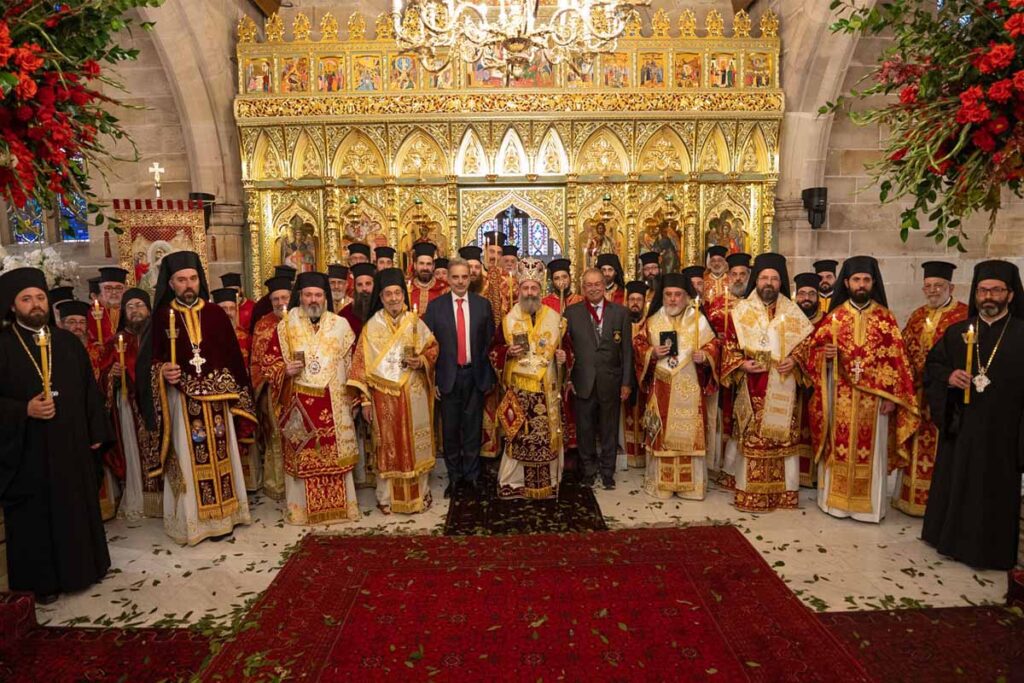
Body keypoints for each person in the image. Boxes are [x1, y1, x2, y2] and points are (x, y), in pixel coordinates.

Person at [0, 267, 112, 603]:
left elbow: (89, 390)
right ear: (11, 305)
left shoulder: (67, 342)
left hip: (72, 445)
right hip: (27, 451)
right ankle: (42, 583)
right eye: (26, 299)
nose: (35, 305)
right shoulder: (3, 346)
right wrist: (24, 410)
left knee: (75, 505)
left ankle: (84, 571)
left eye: (39, 298)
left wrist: (96, 431)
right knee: (35, 518)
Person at [139, 251, 256, 545]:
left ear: (199, 279)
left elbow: (232, 360)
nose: (188, 285)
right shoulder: (161, 317)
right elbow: (149, 364)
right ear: (171, 283)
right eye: (181, 280)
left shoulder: (216, 314)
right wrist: (163, 371)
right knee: (190, 465)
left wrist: (229, 393)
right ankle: (195, 524)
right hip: (181, 403)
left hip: (218, 404)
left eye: (192, 278)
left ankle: (226, 516)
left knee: (222, 456)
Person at [922, 260, 1023, 569]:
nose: (988, 296)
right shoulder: (959, 333)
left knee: (994, 489)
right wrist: (950, 377)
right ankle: (951, 542)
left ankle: (991, 551)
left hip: (1004, 431)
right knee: (958, 481)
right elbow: (933, 366)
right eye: (983, 290)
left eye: (995, 290)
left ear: (1010, 294)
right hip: (963, 427)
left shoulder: (1021, 334)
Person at [803, 256, 918, 523]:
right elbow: (812, 354)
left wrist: (893, 398)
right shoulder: (835, 318)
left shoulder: (886, 319)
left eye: (866, 280)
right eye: (856, 279)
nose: (861, 284)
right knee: (839, 448)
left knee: (872, 454)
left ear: (873, 282)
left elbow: (899, 365)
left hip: (875, 403)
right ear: (847, 282)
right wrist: (825, 356)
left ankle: (870, 508)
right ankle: (836, 505)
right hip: (840, 399)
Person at [720, 253, 815, 512]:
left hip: (784, 385)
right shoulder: (740, 311)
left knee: (782, 439)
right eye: (764, 278)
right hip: (752, 387)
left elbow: (807, 345)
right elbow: (729, 347)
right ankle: (750, 493)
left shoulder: (792, 311)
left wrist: (795, 360)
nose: (769, 283)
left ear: (780, 281)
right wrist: (741, 364)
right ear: (756, 280)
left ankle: (783, 494)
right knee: (752, 439)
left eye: (774, 278)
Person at [265, 272, 361, 525]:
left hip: (335, 402)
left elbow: (353, 365)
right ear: (300, 297)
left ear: (325, 297)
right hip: (299, 405)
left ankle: (342, 508)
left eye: (318, 294)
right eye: (308, 295)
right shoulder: (285, 326)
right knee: (303, 457)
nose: (313, 299)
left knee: (335, 455)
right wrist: (283, 371)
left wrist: (356, 400)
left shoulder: (341, 325)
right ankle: (301, 510)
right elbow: (269, 362)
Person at [348, 268, 439, 514]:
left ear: (404, 295)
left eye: (397, 293)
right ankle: (387, 497)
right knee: (388, 445)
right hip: (384, 398)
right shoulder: (371, 327)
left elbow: (432, 348)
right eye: (388, 294)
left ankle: (420, 495)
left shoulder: (414, 322)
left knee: (414, 442)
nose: (393, 298)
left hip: (414, 393)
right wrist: (365, 402)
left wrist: (422, 361)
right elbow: (360, 368)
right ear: (381, 297)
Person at [892, 261, 968, 517]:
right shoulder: (916, 316)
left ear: (951, 287)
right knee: (917, 447)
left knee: (943, 447)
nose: (933, 290)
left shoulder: (964, 317)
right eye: (928, 286)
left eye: (939, 285)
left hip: (948, 396)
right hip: (918, 394)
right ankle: (910, 499)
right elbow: (902, 353)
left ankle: (939, 503)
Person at [632, 273, 717, 499]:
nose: (672, 299)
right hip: (661, 389)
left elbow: (715, 345)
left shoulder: (698, 320)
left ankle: (691, 488)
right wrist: (651, 353)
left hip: (691, 389)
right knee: (662, 434)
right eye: (668, 294)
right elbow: (638, 346)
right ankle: (663, 484)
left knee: (689, 435)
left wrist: (706, 355)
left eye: (677, 295)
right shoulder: (652, 321)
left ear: (687, 297)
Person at [491, 258, 567, 499]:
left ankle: (549, 482)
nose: (530, 293)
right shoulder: (508, 320)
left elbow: (569, 350)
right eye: (526, 288)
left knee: (546, 437)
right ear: (519, 290)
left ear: (540, 290)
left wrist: (566, 357)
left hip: (546, 389)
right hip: (519, 390)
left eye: (534, 288)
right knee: (518, 436)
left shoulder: (556, 318)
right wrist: (507, 353)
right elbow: (493, 352)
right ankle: (514, 483)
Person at [423, 257, 495, 497]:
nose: (461, 281)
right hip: (448, 378)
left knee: (473, 429)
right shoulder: (436, 307)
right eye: (456, 277)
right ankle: (455, 479)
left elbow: (488, 342)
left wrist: (486, 375)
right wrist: (433, 380)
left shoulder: (482, 305)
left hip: (474, 376)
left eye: (465, 276)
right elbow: (428, 346)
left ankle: (472, 477)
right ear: (448, 278)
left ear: (470, 278)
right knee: (451, 432)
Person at [564, 267, 633, 489]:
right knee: (585, 430)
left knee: (609, 429)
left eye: (597, 284)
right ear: (582, 288)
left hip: (610, 381)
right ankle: (588, 470)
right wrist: (568, 379)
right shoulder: (572, 313)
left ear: (604, 285)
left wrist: (626, 382)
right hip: (582, 381)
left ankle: (607, 472)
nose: (593, 288)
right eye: (588, 285)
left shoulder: (620, 313)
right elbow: (567, 349)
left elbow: (627, 351)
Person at [97, 288, 162, 523]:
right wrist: (110, 375)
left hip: (158, 405)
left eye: (140, 305)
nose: (135, 311)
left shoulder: (158, 337)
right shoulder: (114, 342)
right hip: (130, 408)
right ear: (124, 312)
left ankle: (167, 498)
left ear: (148, 309)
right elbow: (102, 379)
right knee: (136, 450)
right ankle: (141, 499)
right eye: (130, 307)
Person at [704, 252, 751, 484]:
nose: (738, 278)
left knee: (740, 416)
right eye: (734, 274)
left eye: (743, 274)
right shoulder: (714, 305)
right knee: (720, 414)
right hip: (719, 366)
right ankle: (716, 462)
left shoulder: (755, 306)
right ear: (728, 276)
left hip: (746, 370)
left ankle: (735, 466)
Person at [249, 275, 294, 500]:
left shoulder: (299, 320)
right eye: (275, 299)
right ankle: (277, 484)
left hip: (299, 389)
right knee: (276, 436)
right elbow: (257, 362)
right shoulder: (263, 325)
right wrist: (277, 373)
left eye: (284, 297)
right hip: (273, 392)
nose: (280, 302)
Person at [793, 272, 827, 487]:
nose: (806, 298)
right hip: (791, 385)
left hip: (817, 386)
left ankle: (813, 476)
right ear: (796, 296)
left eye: (811, 294)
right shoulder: (788, 320)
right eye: (802, 293)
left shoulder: (827, 321)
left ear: (818, 297)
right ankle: (793, 474)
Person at [623, 280, 649, 469]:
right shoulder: (621, 320)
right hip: (624, 375)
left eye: (638, 299)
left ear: (644, 302)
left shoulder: (650, 322)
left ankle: (644, 454)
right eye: (631, 299)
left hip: (645, 375)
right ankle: (626, 453)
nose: (634, 303)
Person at [89, 266, 128, 345]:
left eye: (118, 288)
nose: (114, 292)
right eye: (108, 288)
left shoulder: (129, 310)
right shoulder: (92, 312)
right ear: (101, 291)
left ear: (124, 291)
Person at [212, 288, 252, 365]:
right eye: (224, 309)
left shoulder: (247, 338)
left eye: (232, 308)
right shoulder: (207, 336)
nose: (228, 313)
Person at [407, 242, 449, 314]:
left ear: (433, 266)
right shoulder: (406, 288)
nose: (425, 268)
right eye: (421, 263)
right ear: (415, 265)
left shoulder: (445, 289)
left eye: (428, 264)